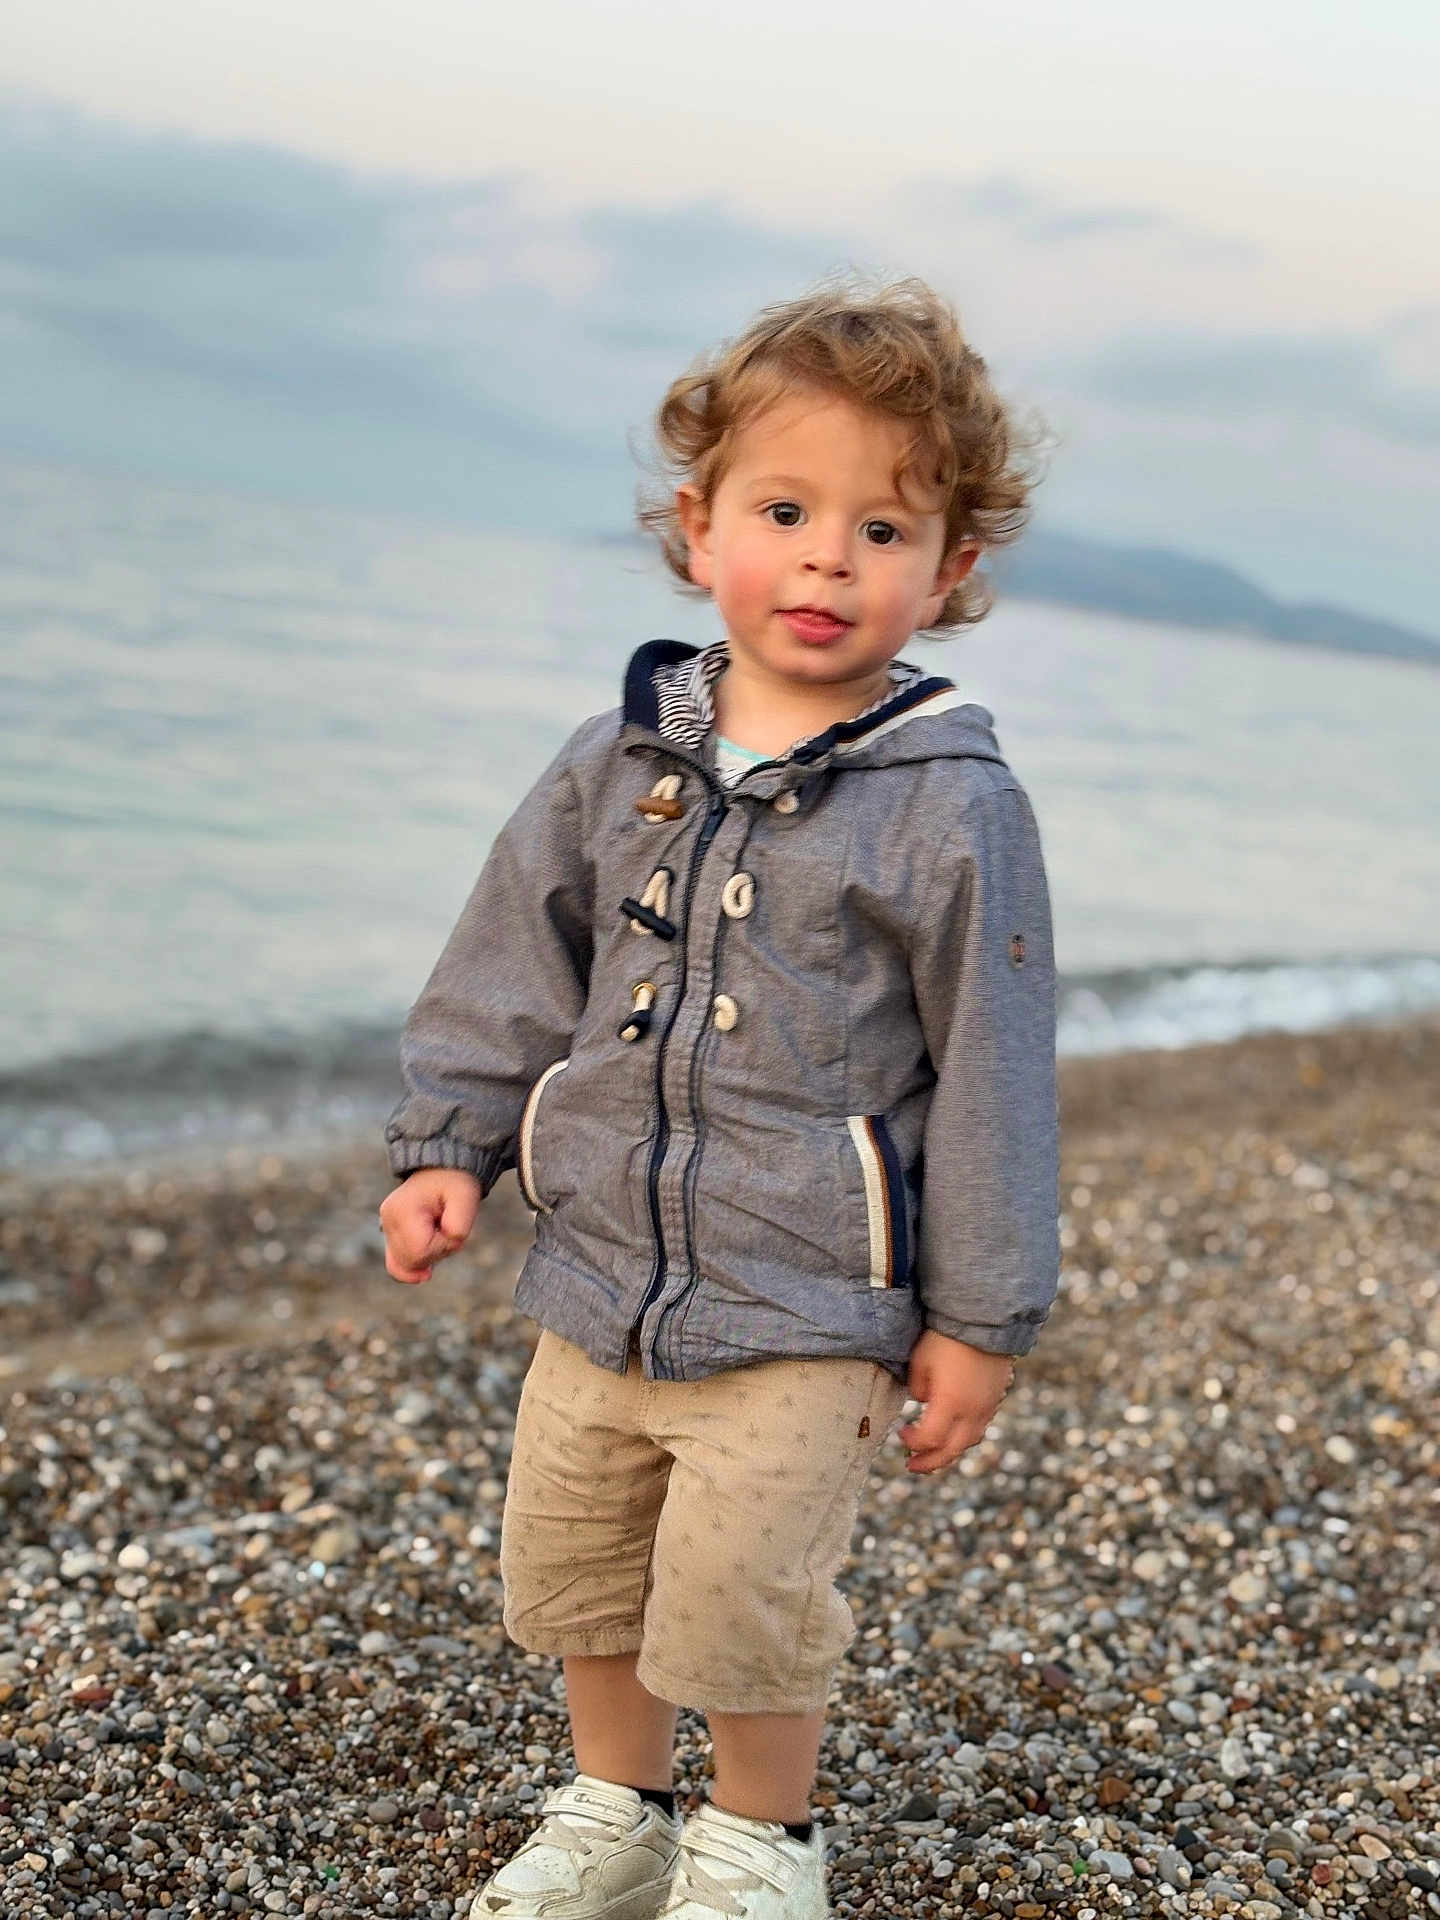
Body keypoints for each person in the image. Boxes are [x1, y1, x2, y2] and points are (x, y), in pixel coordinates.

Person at [378, 275, 1060, 1920]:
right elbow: (511, 956)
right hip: (597, 1270)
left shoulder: (952, 806)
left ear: (950, 570)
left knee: (746, 1593)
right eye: (785, 511)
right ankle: (616, 1811)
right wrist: (451, 1142)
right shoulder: (618, 759)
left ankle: (760, 1840)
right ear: (699, 529)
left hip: (809, 1298)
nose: (828, 560)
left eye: (883, 529)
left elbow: (997, 1069)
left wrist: (979, 1318)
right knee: (583, 1565)